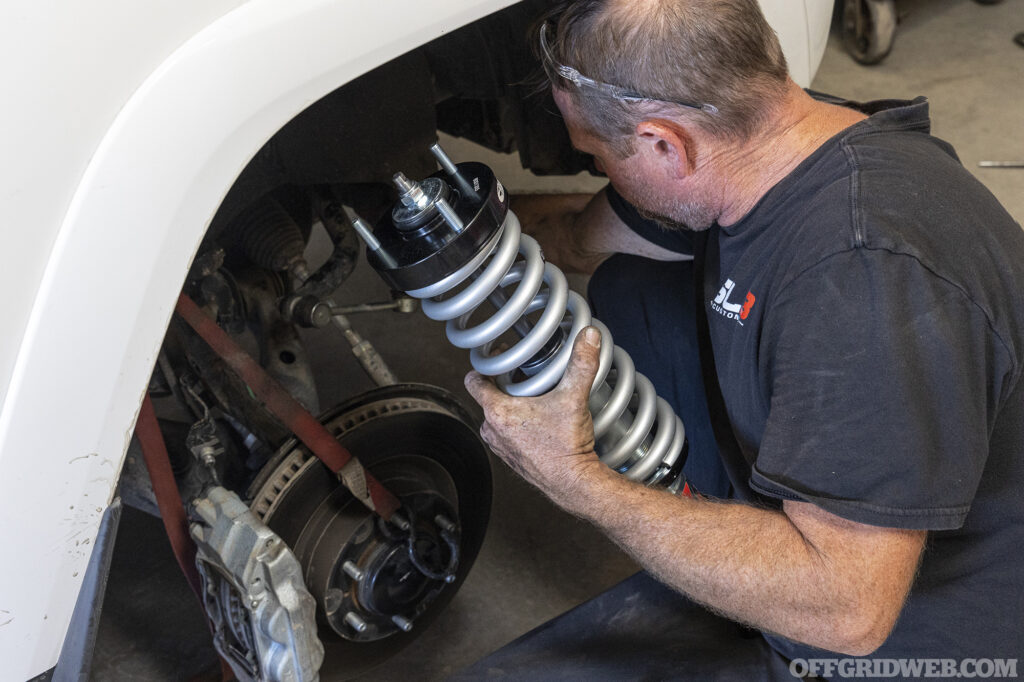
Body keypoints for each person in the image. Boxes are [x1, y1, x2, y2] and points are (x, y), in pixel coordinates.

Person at [461, 0, 1024, 673]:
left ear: (667, 144)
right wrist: (465, 237)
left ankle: (763, 574)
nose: (601, 170)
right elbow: (585, 236)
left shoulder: (863, 282)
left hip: (918, 644)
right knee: (632, 288)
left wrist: (579, 482)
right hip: (870, 517)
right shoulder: (782, 132)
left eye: (597, 154)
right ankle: (743, 539)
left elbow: (850, 610)